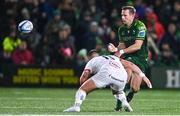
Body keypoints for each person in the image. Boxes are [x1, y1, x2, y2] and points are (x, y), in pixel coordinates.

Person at [63, 54, 152, 112]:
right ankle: (125, 103)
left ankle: (76, 106)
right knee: (118, 91)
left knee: (82, 90)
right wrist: (143, 75)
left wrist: (83, 86)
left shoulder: (91, 61)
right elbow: (130, 65)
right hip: (122, 76)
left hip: (107, 72)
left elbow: (85, 74)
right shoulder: (113, 57)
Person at [108, 6, 149, 111]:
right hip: (128, 58)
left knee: (135, 88)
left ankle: (128, 96)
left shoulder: (140, 26)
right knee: (127, 73)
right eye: (121, 15)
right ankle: (119, 104)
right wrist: (116, 49)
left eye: (125, 15)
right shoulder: (121, 29)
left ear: (132, 15)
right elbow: (122, 45)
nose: (122, 17)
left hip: (141, 58)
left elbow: (137, 46)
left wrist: (121, 51)